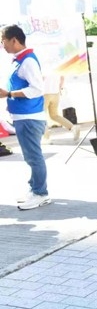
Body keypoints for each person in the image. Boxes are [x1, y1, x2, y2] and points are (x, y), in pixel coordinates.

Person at [1, 24, 51, 210]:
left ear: (14, 40)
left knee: (34, 157)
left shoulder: (28, 61)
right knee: (31, 156)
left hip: (29, 118)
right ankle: (35, 189)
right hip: (24, 117)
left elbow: (37, 89)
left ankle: (40, 193)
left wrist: (9, 94)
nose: (2, 45)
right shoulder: (20, 59)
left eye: (3, 41)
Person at [42, 73, 80, 143]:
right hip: (56, 93)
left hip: (44, 93)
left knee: (41, 116)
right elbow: (62, 77)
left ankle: (46, 137)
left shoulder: (42, 67)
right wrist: (60, 87)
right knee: (54, 115)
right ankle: (73, 127)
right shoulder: (58, 67)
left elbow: (41, 79)